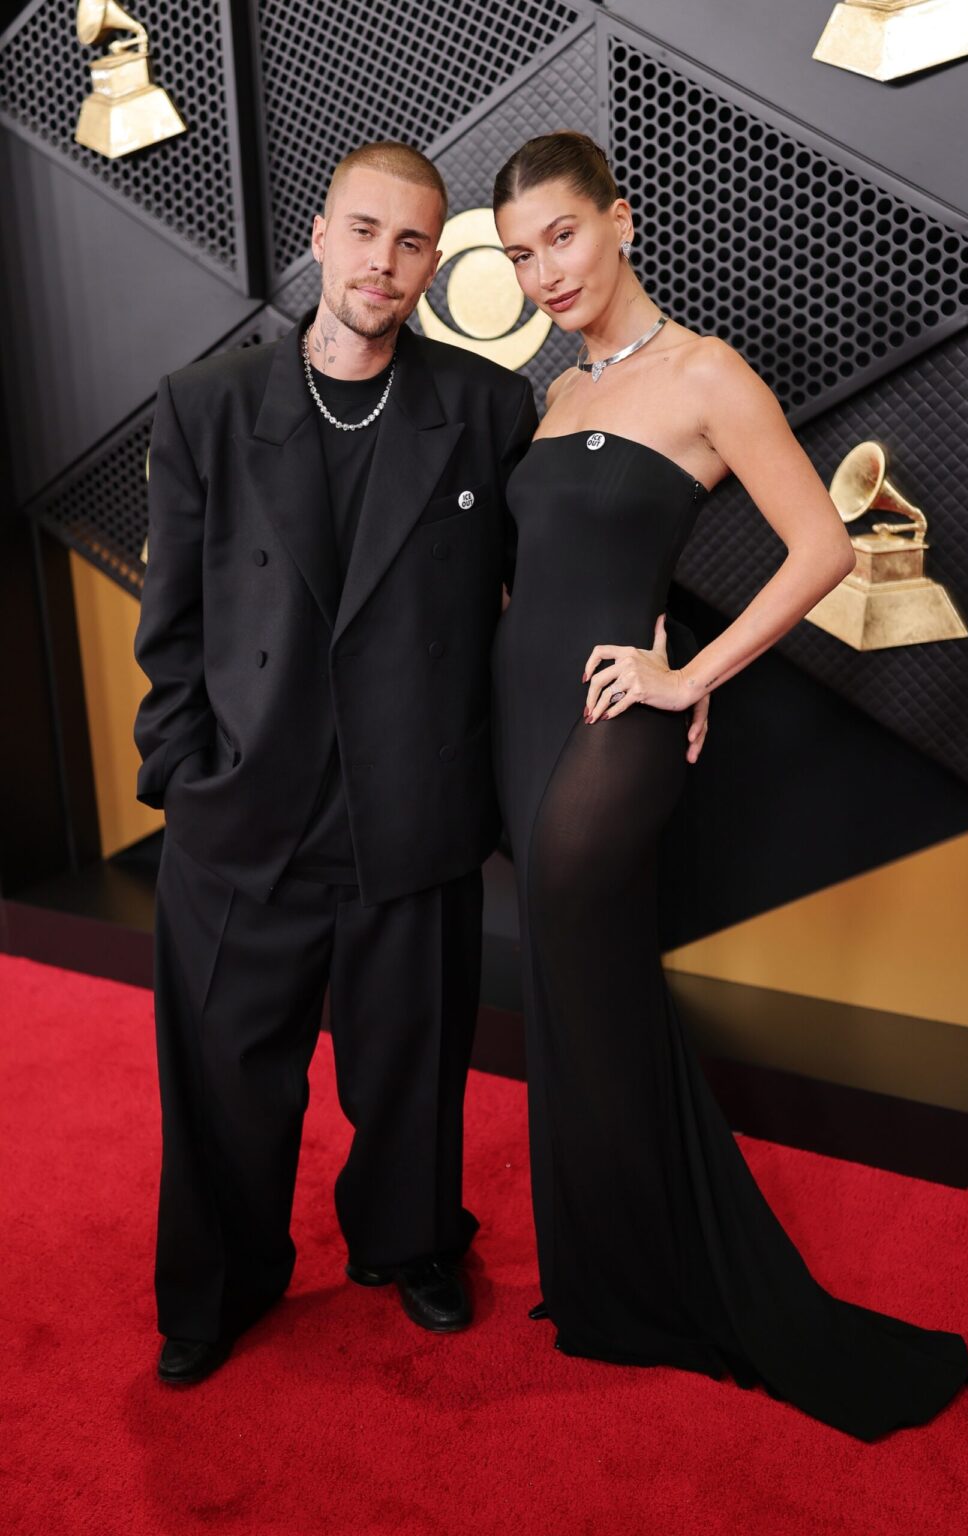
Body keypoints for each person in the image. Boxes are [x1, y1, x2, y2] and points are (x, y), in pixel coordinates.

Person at [490, 130, 968, 1440]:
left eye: (563, 237)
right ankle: (611, 1284)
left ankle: (672, 1291)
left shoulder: (705, 372)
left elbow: (820, 546)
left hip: (614, 722)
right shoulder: (557, 390)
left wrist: (690, 674)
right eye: (521, 253)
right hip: (522, 719)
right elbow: (544, 577)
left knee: (592, 991)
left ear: (622, 220)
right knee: (578, 1005)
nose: (544, 270)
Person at [134, 140, 537, 1384]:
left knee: (412, 1066)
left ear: (435, 260)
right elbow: (175, 623)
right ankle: (219, 1284)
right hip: (243, 814)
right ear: (319, 235)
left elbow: (544, 585)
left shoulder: (484, 409)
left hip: (410, 811)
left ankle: (410, 1242)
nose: (385, 262)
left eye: (414, 241)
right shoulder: (208, 406)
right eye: (366, 231)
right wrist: (184, 775)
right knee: (222, 1082)